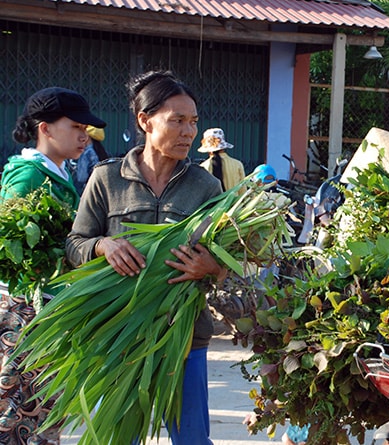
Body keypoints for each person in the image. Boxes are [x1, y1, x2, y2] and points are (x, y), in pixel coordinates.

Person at [65, 71, 228, 445]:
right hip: (121, 335)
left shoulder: (207, 186)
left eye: (193, 122)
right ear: (145, 120)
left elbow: (230, 261)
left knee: (192, 440)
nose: (189, 132)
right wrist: (102, 246)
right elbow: (75, 244)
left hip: (184, 337)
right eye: (177, 121)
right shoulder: (107, 178)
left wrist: (211, 268)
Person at [0, 86, 105, 445]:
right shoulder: (28, 176)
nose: (83, 136)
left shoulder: (57, 174)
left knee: (40, 412)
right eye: (75, 126)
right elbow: (10, 247)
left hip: (46, 309)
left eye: (85, 129)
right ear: (44, 128)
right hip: (24, 313)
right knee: (18, 411)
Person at [198, 127, 245, 192]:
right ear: (223, 147)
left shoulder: (203, 167)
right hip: (234, 202)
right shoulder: (237, 164)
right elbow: (243, 190)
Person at [73, 125, 110, 195]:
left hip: (88, 193)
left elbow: (81, 178)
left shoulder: (87, 153)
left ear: (88, 136)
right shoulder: (102, 152)